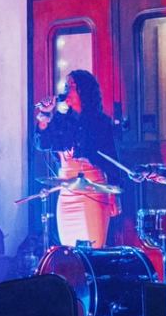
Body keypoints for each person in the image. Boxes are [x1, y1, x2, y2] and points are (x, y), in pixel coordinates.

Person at [34, 69, 119, 248]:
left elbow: (111, 160)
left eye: (71, 86)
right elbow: (42, 143)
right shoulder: (61, 121)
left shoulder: (100, 122)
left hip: (93, 191)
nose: (66, 90)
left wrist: (113, 196)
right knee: (69, 251)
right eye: (66, 86)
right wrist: (45, 115)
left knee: (92, 249)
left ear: (84, 91)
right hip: (67, 192)